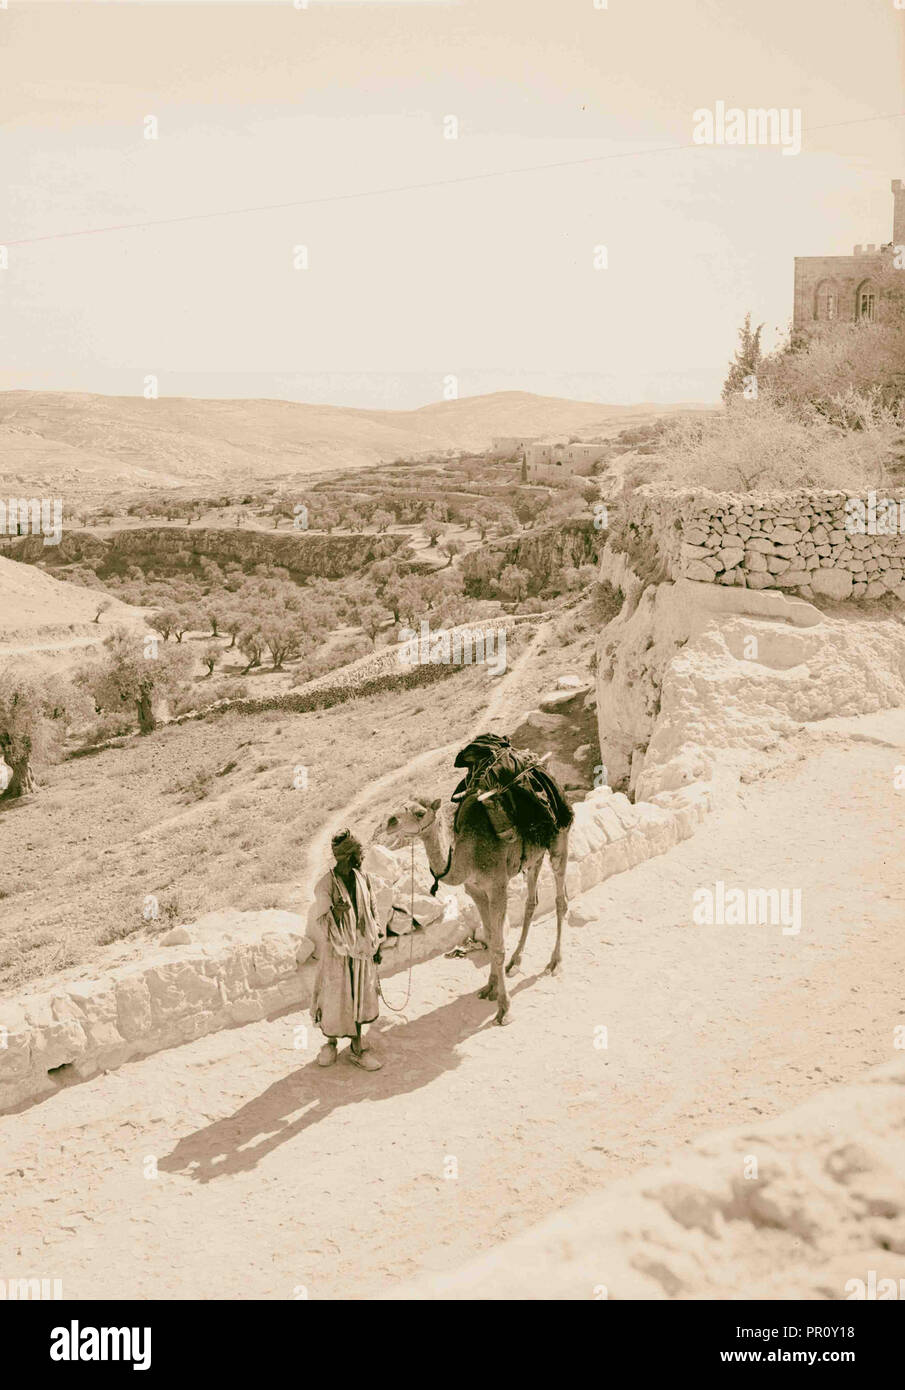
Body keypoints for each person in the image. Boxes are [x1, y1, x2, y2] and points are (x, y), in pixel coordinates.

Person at [305, 829, 386, 1072]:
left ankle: (357, 1048)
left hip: (362, 953)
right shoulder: (325, 885)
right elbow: (321, 921)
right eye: (358, 853)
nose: (361, 857)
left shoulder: (364, 879)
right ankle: (330, 1043)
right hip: (336, 955)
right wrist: (336, 914)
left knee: (359, 997)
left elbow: (373, 912)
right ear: (348, 856)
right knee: (334, 999)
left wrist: (377, 941)